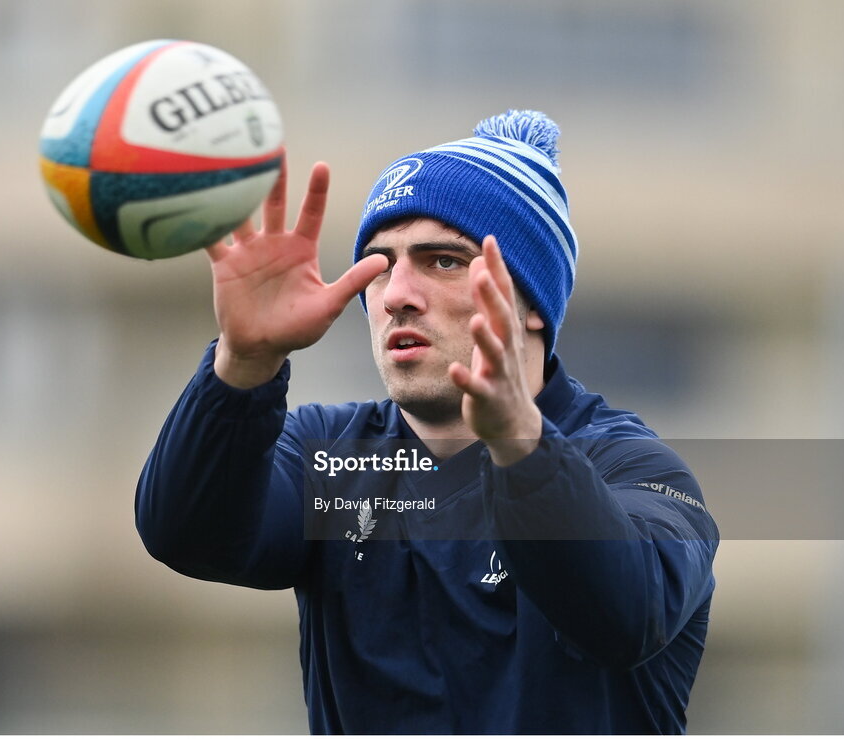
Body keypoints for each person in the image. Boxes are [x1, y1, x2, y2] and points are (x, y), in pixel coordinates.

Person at [135, 110, 718, 734]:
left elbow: (624, 615)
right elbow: (187, 534)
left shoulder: (634, 468)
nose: (395, 294)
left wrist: (520, 444)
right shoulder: (331, 456)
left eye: (442, 260)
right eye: (380, 265)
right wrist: (243, 363)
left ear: (531, 306)